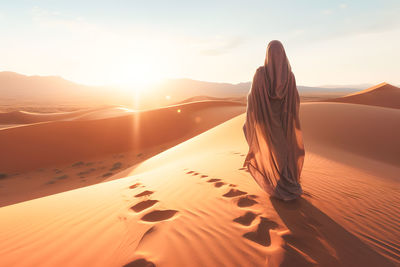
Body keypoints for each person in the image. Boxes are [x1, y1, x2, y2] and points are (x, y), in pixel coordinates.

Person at [243, 40, 305, 201]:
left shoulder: (261, 74)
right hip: (284, 123)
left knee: (276, 153)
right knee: (285, 153)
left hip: (267, 123)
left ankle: (281, 185)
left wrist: (250, 122)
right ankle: (286, 184)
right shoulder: (289, 76)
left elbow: (253, 100)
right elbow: (294, 102)